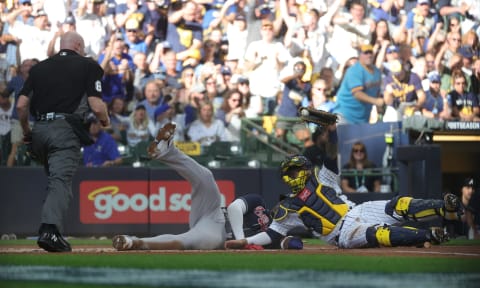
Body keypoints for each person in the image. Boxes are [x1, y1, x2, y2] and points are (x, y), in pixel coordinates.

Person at [226, 152, 463, 250]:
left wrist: (330, 129)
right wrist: (245, 240)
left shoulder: (322, 177)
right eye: (296, 171)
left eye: (300, 169)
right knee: (378, 233)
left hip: (358, 209)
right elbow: (273, 235)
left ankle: (445, 207)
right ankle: (429, 235)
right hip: (342, 233)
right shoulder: (287, 207)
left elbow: (331, 158)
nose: (300, 173)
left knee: (398, 204)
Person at [16, 31, 110, 252]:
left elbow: (20, 105)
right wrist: (105, 120)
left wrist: (27, 131)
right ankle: (49, 230)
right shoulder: (88, 65)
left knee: (54, 182)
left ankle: (54, 229)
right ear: (78, 45)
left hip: (39, 130)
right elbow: (96, 105)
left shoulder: (38, 68)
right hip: (64, 130)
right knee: (60, 181)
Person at [112, 122, 226, 250]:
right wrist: (242, 237)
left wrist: (244, 241)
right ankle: (167, 151)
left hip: (217, 233)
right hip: (215, 213)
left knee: (184, 242)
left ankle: (132, 242)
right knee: (206, 178)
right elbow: (240, 205)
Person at [333, 44, 384, 124]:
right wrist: (376, 101)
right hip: (345, 114)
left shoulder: (377, 72)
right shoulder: (354, 70)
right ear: (360, 55)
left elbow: (377, 92)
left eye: (370, 52)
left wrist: (379, 109)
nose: (369, 55)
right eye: (366, 53)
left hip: (362, 117)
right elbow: (357, 94)